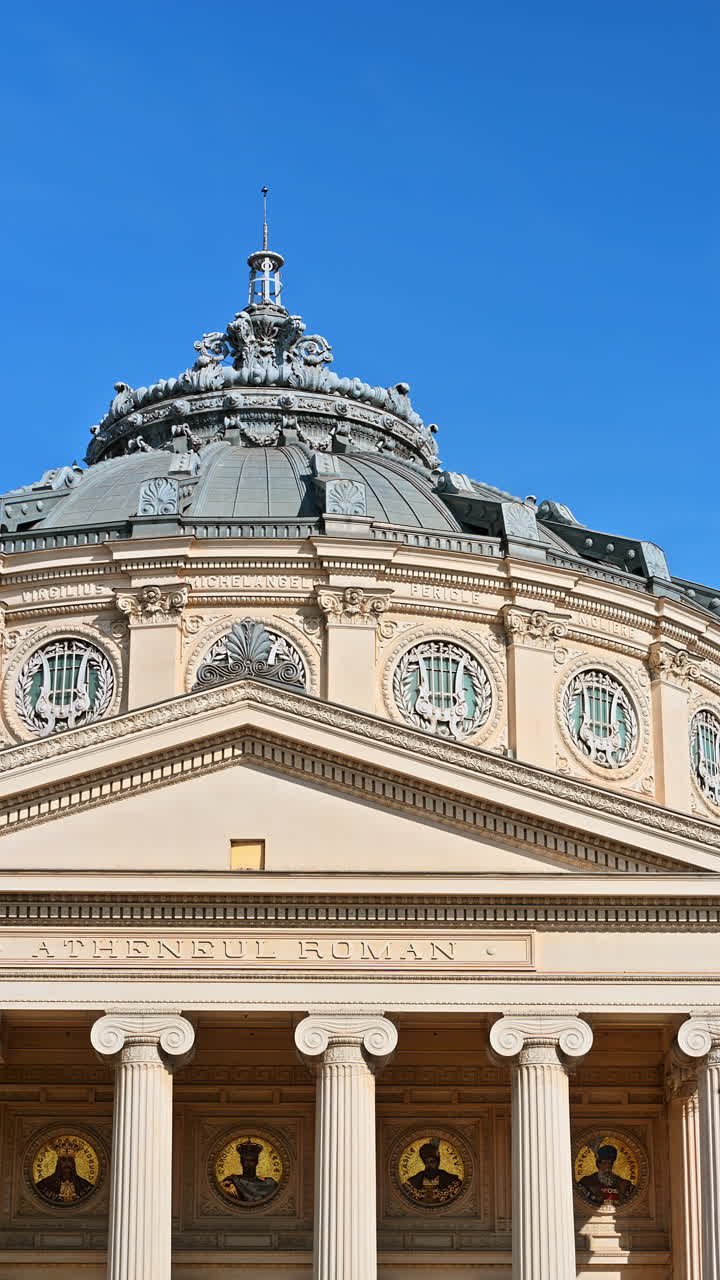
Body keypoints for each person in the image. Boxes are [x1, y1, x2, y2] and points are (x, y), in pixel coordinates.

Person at [403, 1140, 462, 1204]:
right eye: (426, 1162)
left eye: (432, 1162)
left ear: (438, 1162)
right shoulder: (414, 1181)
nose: (429, 1165)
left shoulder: (451, 1181)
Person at [221, 1139, 278, 1204]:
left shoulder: (270, 1183)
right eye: (246, 1160)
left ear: (257, 1161)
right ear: (241, 1162)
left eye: (252, 1160)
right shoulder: (233, 1181)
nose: (248, 1164)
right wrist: (230, 1186)